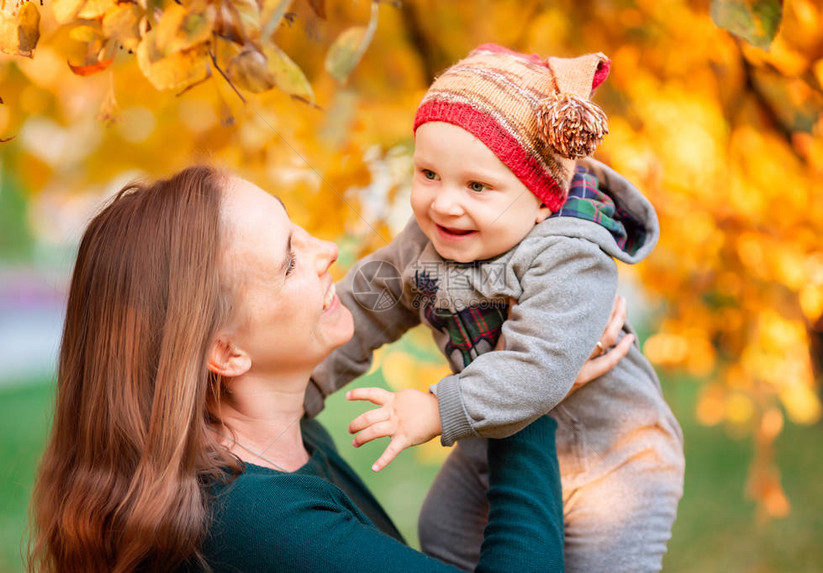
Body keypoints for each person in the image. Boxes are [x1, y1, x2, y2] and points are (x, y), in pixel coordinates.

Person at [27, 166, 627, 572]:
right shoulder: (253, 522)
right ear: (226, 352)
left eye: (295, 227)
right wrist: (527, 390)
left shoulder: (283, 442)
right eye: (289, 260)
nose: (327, 251)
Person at [305, 44, 686, 572]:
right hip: (494, 440)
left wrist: (438, 410)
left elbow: (538, 367)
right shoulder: (423, 243)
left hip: (611, 460)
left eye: (478, 186)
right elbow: (361, 310)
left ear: (540, 200)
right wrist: (299, 389)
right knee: (443, 529)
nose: (444, 203)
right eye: (429, 174)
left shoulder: (570, 255)